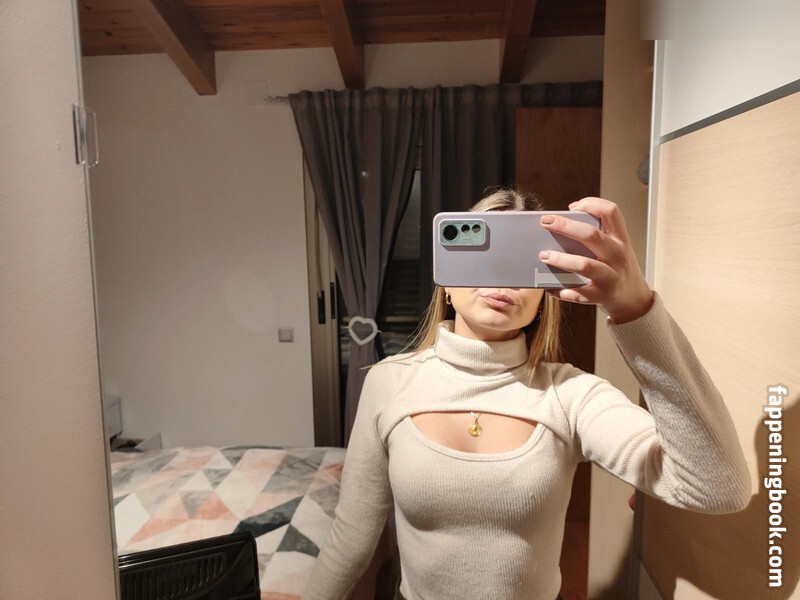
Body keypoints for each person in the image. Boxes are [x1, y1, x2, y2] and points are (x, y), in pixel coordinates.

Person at [302, 188, 751, 600]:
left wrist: (635, 308)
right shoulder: (389, 383)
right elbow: (351, 538)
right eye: (485, 256)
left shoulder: (570, 395)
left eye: (519, 262)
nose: (502, 279)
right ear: (446, 281)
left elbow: (717, 489)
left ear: (544, 295)